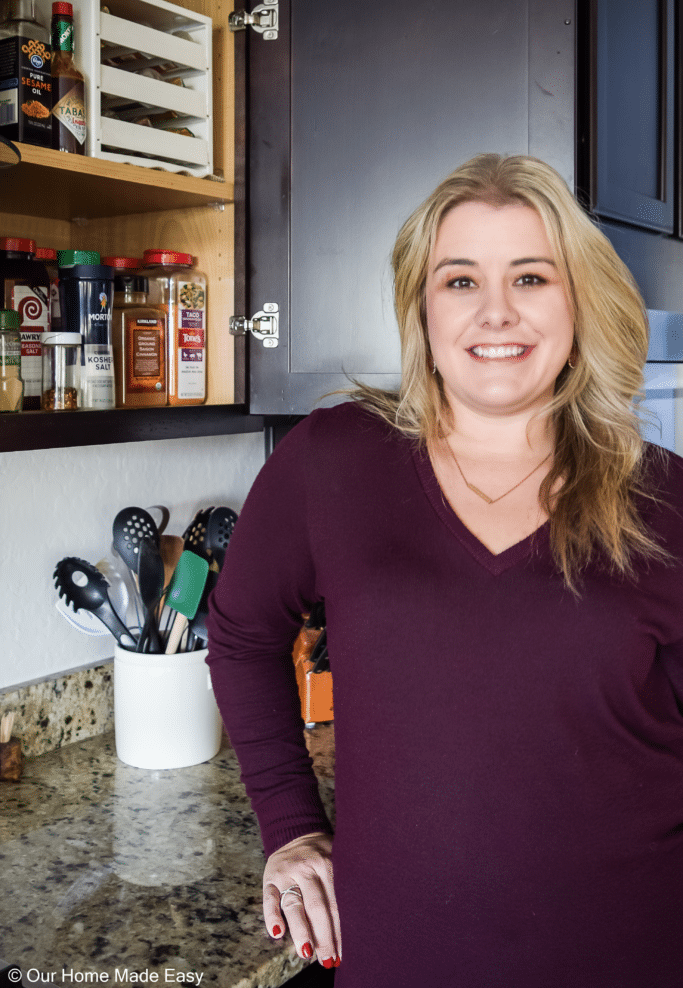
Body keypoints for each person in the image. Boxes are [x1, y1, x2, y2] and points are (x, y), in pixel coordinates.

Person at [206, 153, 683, 987]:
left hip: (633, 945)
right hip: (401, 953)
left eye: (530, 276)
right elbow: (243, 635)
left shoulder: (667, 500)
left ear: (578, 300)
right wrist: (288, 824)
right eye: (459, 281)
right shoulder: (333, 460)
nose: (495, 311)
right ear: (421, 307)